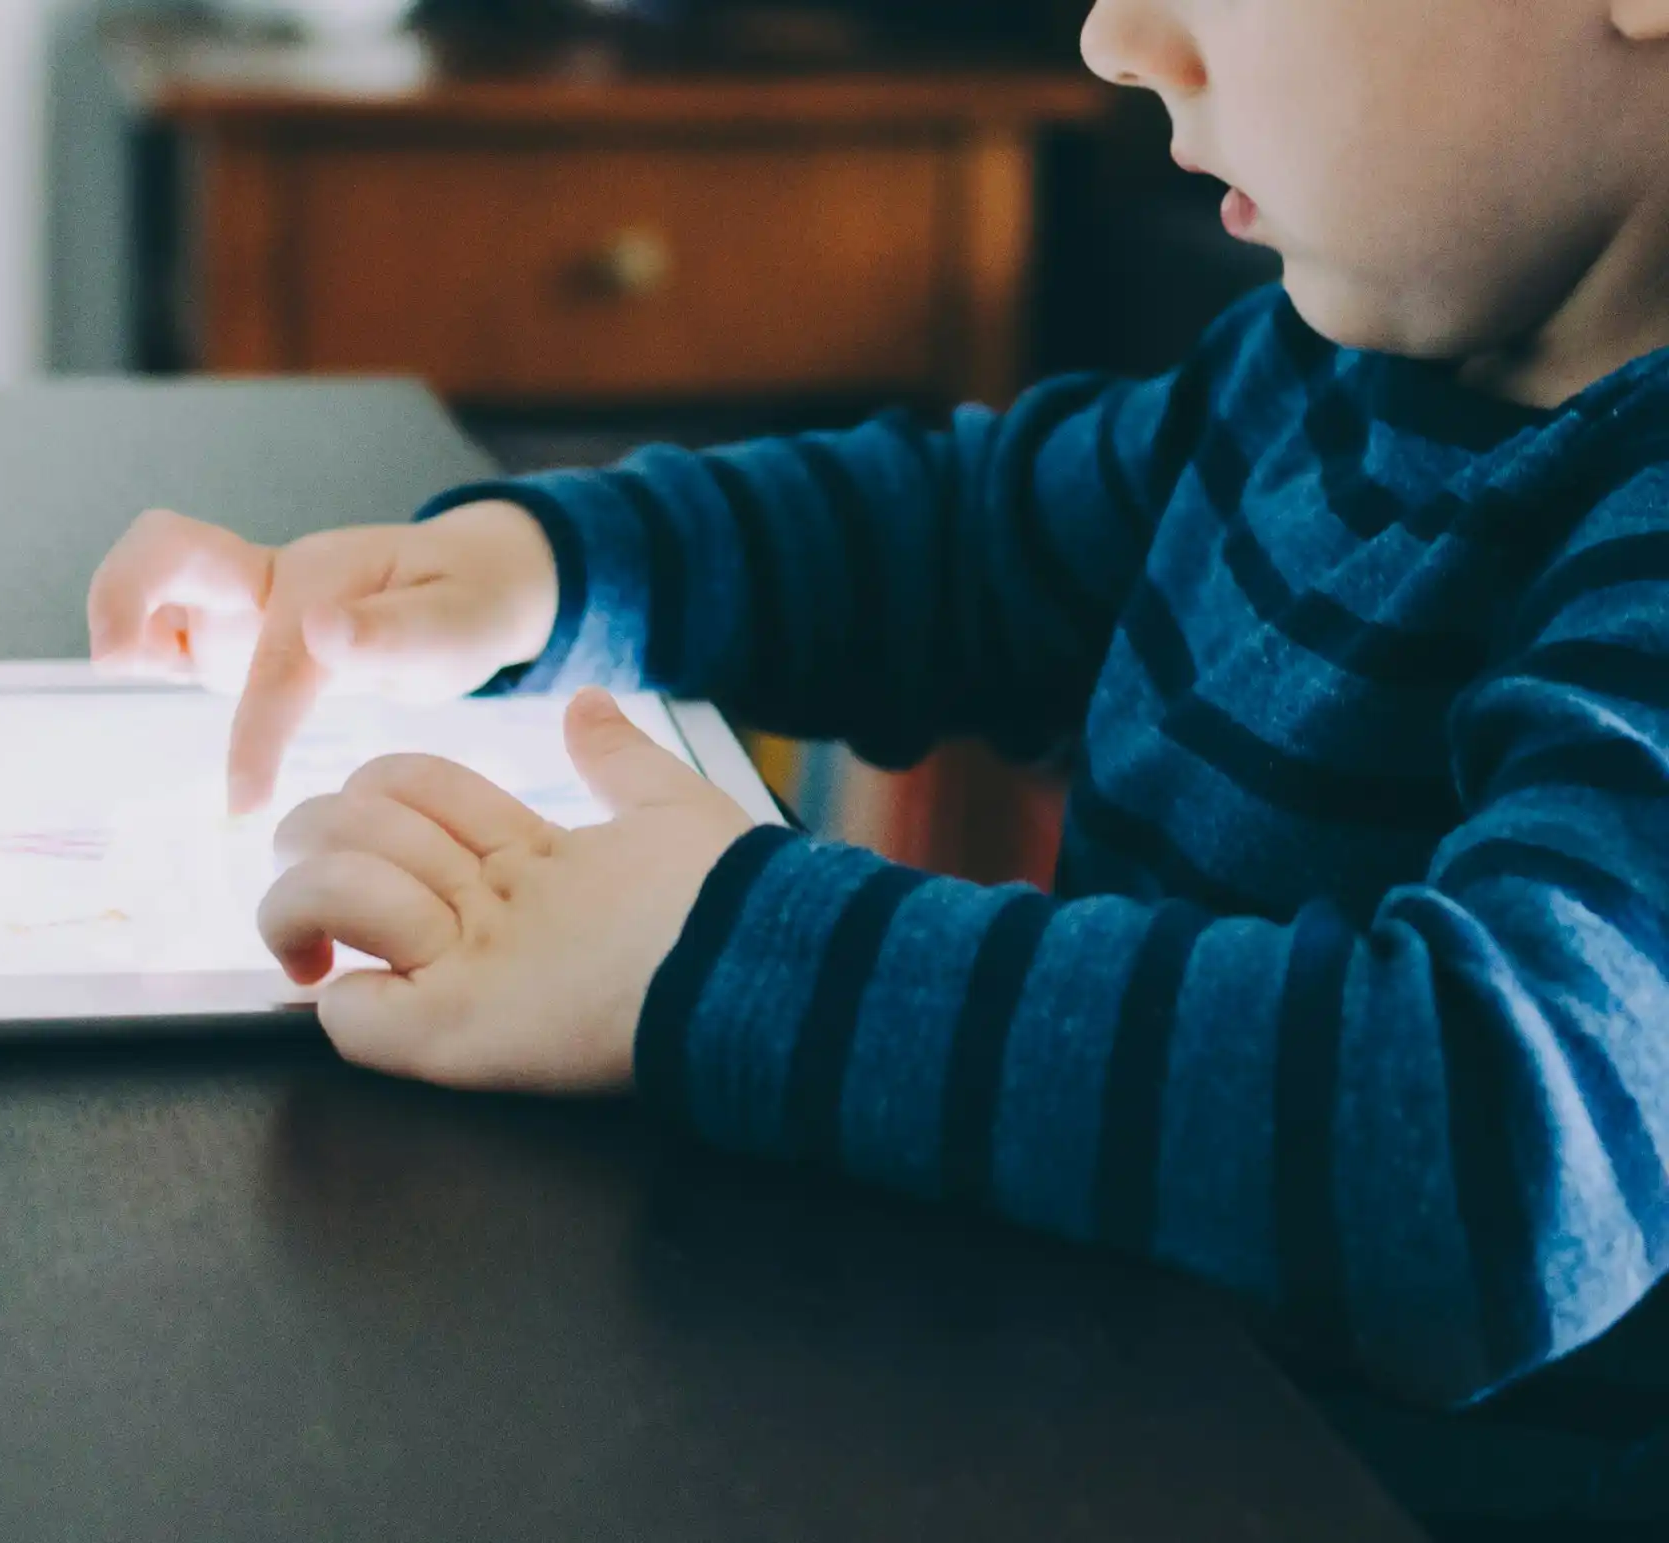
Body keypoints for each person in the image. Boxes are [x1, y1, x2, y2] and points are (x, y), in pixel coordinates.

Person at [89, 0, 1669, 1520]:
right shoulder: (1341, 362)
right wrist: (548, 570)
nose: (1118, 37)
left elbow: (1490, 1143)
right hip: (1135, 1415)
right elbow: (973, 543)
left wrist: (712, 946)